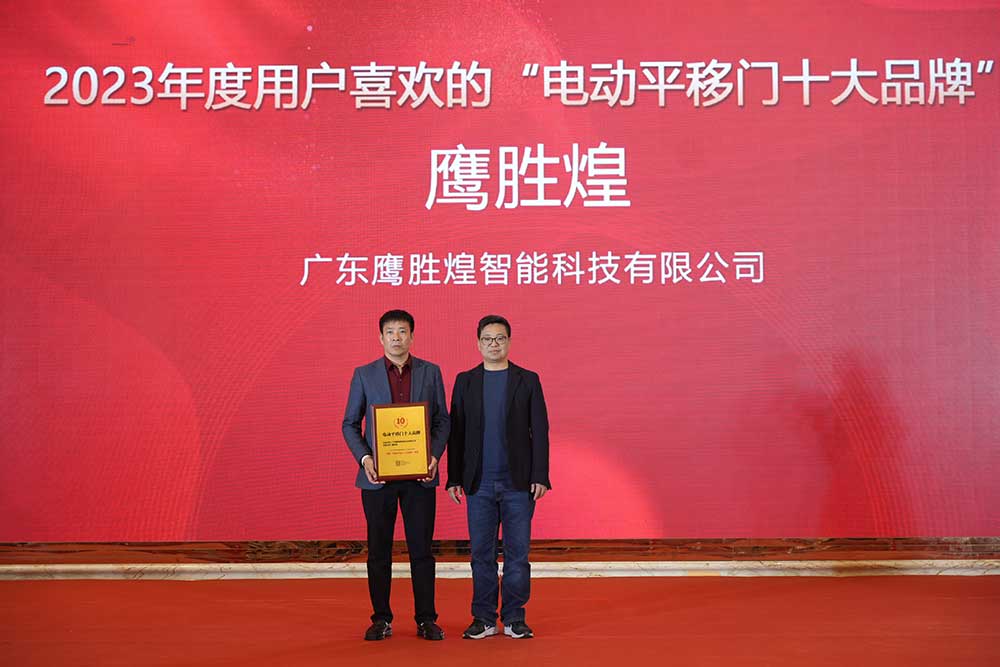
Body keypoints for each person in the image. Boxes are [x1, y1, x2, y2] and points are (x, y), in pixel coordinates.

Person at [342, 309, 450, 641]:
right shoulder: (364, 374)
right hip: (377, 479)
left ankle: (426, 619)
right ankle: (381, 619)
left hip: (420, 478)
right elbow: (349, 424)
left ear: (412, 336)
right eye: (390, 332)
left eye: (402, 331)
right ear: (381, 337)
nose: (396, 338)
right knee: (379, 552)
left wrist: (434, 456)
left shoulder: (431, 372)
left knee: (422, 551)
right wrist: (365, 458)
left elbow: (442, 421)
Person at [446, 314, 551, 640]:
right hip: (478, 483)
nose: (494, 344)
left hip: (519, 483)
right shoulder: (465, 381)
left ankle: (515, 618)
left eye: (500, 338)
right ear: (478, 343)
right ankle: (484, 619)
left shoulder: (527, 380)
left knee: (518, 555)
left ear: (509, 342)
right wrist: (453, 477)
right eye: (488, 339)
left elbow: (540, 430)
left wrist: (540, 475)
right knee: (482, 555)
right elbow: (456, 432)